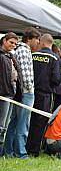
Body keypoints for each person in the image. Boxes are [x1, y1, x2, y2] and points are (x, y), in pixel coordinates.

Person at [3, 28, 40, 159]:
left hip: (19, 92)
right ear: (29, 39)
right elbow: (25, 74)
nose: (38, 42)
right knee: (23, 123)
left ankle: (8, 151)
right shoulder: (24, 50)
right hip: (26, 92)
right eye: (37, 39)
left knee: (14, 122)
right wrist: (29, 89)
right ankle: (21, 152)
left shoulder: (19, 50)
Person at [26, 33, 61, 157]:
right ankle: (35, 150)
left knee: (28, 120)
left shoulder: (33, 55)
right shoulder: (55, 58)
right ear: (51, 43)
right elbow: (57, 79)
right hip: (46, 95)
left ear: (42, 42)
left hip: (30, 92)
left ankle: (25, 146)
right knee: (41, 121)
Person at [0, 32, 22, 153]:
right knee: (1, 125)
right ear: (4, 41)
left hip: (10, 94)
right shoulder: (2, 56)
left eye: (15, 43)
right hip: (3, 95)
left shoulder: (10, 56)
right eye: (11, 42)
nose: (13, 45)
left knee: (5, 126)